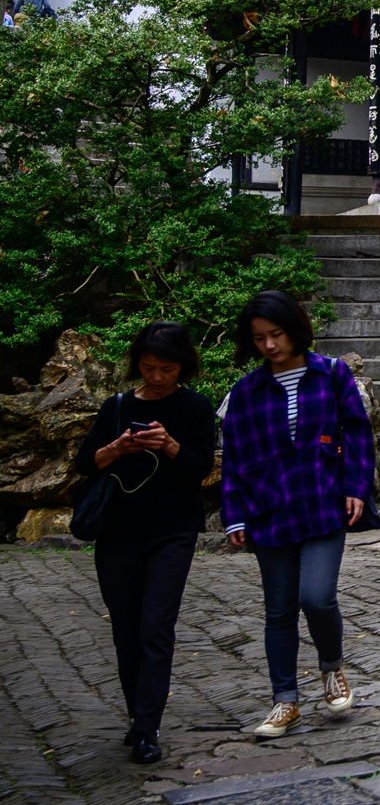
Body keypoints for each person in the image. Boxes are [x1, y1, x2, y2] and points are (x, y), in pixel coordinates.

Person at [220, 290, 373, 738]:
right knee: (279, 610)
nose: (269, 345)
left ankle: (332, 668)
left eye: (277, 334)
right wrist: (235, 515)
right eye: (260, 338)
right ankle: (284, 701)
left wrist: (356, 486)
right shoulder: (246, 392)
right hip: (269, 510)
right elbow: (234, 457)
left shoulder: (331, 374)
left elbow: (357, 434)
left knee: (317, 596)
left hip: (325, 503)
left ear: (295, 329)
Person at [72, 322, 217, 765]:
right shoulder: (116, 406)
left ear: (182, 367)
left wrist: (169, 445)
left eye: (167, 369)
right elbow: (85, 463)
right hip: (117, 533)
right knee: (126, 628)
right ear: (138, 363)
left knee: (156, 625)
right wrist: (117, 447)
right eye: (150, 367)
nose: (157, 377)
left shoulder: (195, 407)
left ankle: (147, 726)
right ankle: (138, 716)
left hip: (172, 531)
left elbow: (199, 471)